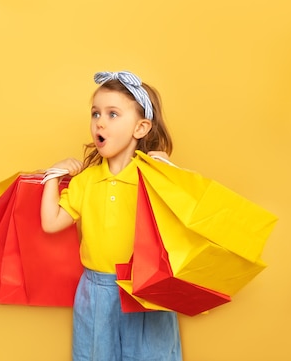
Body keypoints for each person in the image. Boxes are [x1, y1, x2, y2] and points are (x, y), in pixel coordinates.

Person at [40, 71, 182, 361]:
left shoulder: (152, 176)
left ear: (141, 128)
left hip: (146, 287)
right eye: (95, 114)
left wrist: (170, 174)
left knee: (151, 354)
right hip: (97, 292)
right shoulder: (85, 181)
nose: (100, 122)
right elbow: (51, 222)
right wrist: (52, 178)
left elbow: (183, 218)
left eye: (112, 114)